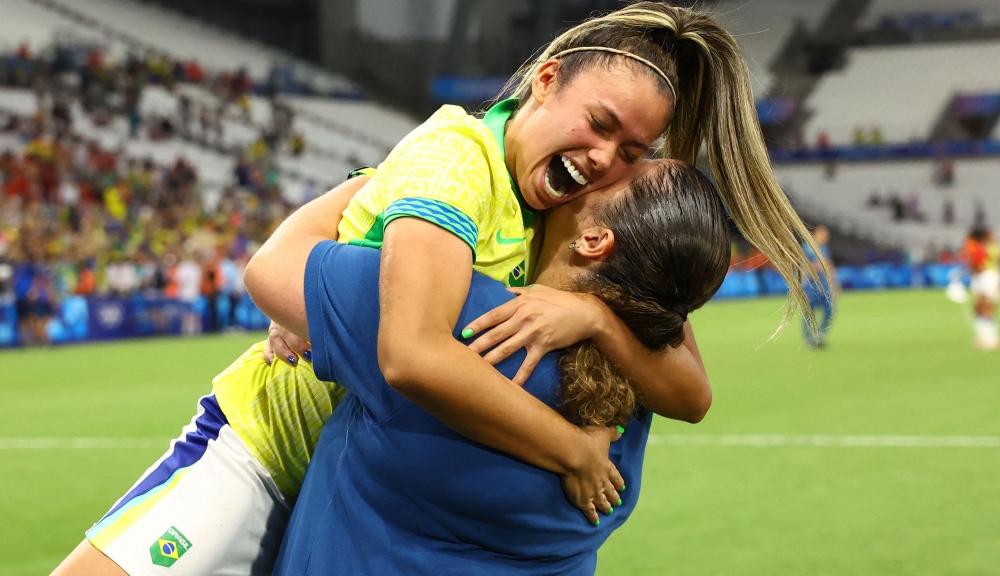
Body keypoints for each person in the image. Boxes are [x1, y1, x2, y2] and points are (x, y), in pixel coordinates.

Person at [53, 2, 823, 575]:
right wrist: (572, 450)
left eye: (630, 149)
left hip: (342, 477)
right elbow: (408, 351)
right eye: (597, 124)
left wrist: (592, 315)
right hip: (263, 445)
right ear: (546, 79)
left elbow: (692, 391)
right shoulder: (456, 163)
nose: (603, 158)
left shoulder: (557, 212)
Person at [268, 159, 729, 574]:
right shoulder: (636, 406)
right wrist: (602, 319)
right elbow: (684, 363)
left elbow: (274, 267)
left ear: (594, 240)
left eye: (625, 167)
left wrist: (399, 173)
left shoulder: (465, 320)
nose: (602, 161)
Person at [964, 226, 999, 350]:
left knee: (986, 306)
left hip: (987, 277)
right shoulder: (976, 247)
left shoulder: (990, 248)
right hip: (980, 277)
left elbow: (979, 265)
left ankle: (991, 337)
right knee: (979, 307)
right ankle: (984, 335)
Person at [802, 225, 836, 348]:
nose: (826, 237)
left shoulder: (825, 249)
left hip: (824, 285)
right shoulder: (807, 248)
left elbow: (829, 266)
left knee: (830, 310)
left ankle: (820, 335)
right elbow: (804, 267)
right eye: (823, 234)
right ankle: (808, 338)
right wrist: (818, 266)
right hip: (810, 285)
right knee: (810, 312)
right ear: (815, 234)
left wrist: (835, 284)